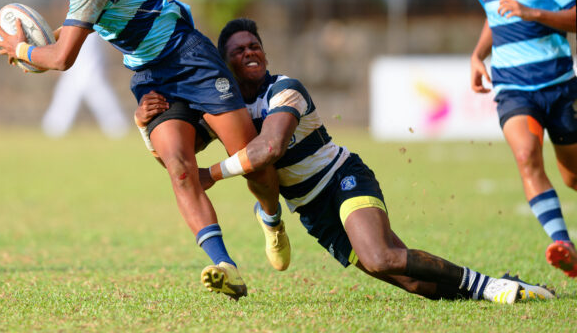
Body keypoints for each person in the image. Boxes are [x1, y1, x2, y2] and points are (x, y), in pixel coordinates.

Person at [136, 18, 556, 303]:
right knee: (411, 281)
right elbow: (178, 165)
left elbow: (269, 150)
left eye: (254, 46)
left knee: (380, 256)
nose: (249, 53)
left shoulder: (285, 90)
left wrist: (211, 174)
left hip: (341, 180)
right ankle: (501, 288)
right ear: (223, 64)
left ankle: (491, 287)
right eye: (238, 50)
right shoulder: (224, 112)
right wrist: (145, 126)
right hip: (311, 210)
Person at [0, 0, 290, 300]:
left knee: (254, 162)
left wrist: (21, 48)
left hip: (188, 57)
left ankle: (270, 217)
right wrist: (35, 50)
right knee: (179, 168)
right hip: (151, 77)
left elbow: (63, 58)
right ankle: (224, 264)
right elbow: (75, 29)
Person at [469, 0, 577, 277]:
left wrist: (534, 13)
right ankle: (563, 245)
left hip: (560, 87)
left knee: (573, 177)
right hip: (513, 89)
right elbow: (494, 17)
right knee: (527, 155)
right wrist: (477, 55)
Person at [41, 32, 129, 139]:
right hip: (75, 74)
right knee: (59, 114)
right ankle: (52, 133)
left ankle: (119, 130)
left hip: (92, 74)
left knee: (110, 112)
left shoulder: (93, 30)